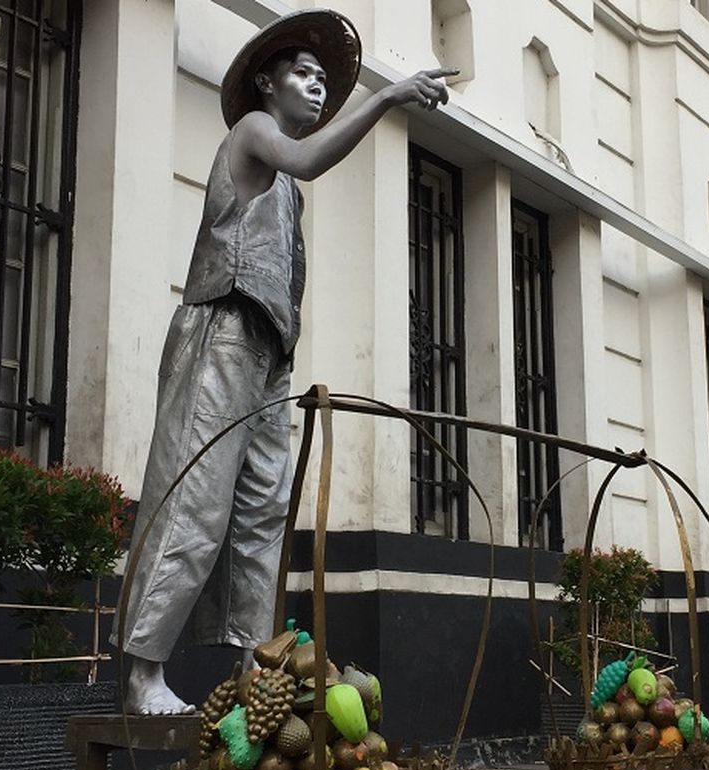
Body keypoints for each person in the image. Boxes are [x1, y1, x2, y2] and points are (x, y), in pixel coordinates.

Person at [114, 8, 455, 715]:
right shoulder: (254, 134)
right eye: (303, 74)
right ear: (266, 83)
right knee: (196, 498)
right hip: (222, 333)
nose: (317, 88)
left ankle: (255, 668)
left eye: (326, 80)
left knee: (264, 511)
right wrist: (387, 97)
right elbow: (307, 158)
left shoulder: (285, 184)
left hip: (269, 354)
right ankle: (144, 673)